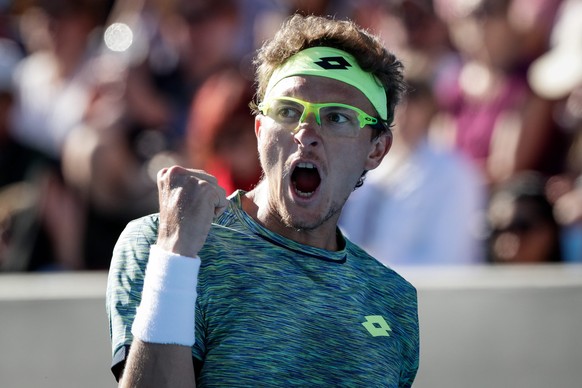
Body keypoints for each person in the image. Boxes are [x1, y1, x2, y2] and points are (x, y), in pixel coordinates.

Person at [106, 14, 419, 387]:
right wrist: (176, 255)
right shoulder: (160, 243)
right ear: (260, 131)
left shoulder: (394, 300)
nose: (307, 133)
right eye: (288, 111)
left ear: (377, 149)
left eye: (337, 118)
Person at [340, 77, 487, 266]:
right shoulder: (368, 168)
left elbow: (447, 259)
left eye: (413, 102)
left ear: (430, 111)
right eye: (396, 103)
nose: (403, 113)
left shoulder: (453, 173)